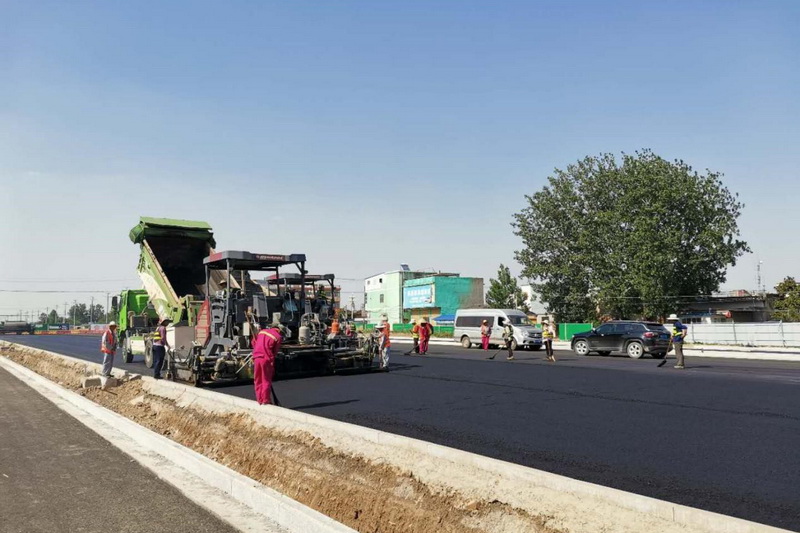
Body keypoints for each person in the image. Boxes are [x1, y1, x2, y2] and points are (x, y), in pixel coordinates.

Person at [252, 323, 283, 405]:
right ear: (279, 330)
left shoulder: (262, 331)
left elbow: (254, 343)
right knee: (265, 380)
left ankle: (260, 399)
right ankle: (266, 400)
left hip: (256, 357)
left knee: (257, 379)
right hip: (266, 359)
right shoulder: (278, 337)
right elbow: (275, 352)